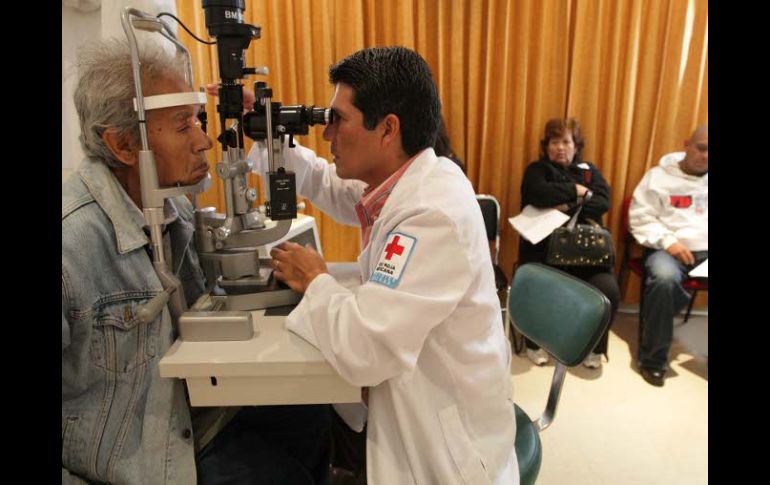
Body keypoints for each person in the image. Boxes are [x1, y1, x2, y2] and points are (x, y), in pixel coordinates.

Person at [62, 39, 331, 484]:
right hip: (134, 458)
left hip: (196, 417)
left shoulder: (173, 207)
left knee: (312, 408)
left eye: (198, 121)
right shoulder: (72, 245)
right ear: (125, 145)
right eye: (183, 125)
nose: (205, 141)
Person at [248, 46, 518, 484]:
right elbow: (328, 184)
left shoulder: (432, 214)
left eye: (338, 120)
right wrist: (268, 133)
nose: (327, 133)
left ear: (388, 129)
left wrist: (316, 280)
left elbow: (366, 350)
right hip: (420, 408)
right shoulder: (411, 180)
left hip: (447, 455)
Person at [517, 118, 620, 369]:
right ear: (546, 146)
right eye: (554, 142)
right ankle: (534, 342)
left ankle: (594, 346)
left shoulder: (589, 171)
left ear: (576, 146)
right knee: (536, 283)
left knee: (608, 291)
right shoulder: (537, 169)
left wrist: (562, 203)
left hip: (586, 254)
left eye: (566, 142)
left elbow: (603, 202)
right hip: (544, 250)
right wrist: (577, 191)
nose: (560, 148)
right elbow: (536, 194)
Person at [629, 125, 708, 387]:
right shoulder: (658, 177)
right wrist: (669, 242)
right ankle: (653, 360)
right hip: (668, 249)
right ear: (687, 145)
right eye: (701, 148)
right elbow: (640, 218)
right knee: (664, 280)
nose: (706, 156)